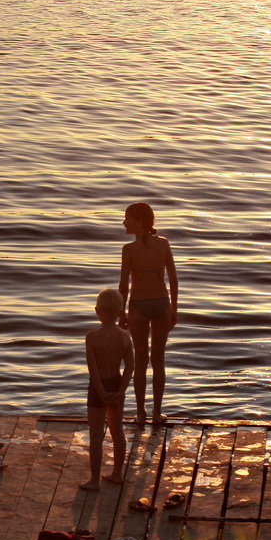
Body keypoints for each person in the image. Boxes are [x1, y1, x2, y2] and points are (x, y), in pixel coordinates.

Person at [118, 202, 178, 426]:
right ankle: (157, 413)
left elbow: (124, 285)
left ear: (140, 222)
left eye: (127, 218)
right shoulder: (163, 244)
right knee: (159, 360)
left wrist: (121, 312)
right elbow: (172, 279)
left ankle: (141, 413)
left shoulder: (128, 250)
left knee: (141, 361)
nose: (124, 222)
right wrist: (174, 308)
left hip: (138, 306)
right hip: (161, 304)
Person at [80, 288, 133, 491]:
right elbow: (130, 367)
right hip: (115, 383)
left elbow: (92, 369)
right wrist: (121, 390)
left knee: (96, 436)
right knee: (117, 432)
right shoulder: (124, 337)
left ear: (97, 311)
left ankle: (94, 480)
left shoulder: (92, 337)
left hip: (98, 387)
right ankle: (117, 474)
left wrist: (101, 392)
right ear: (121, 311)